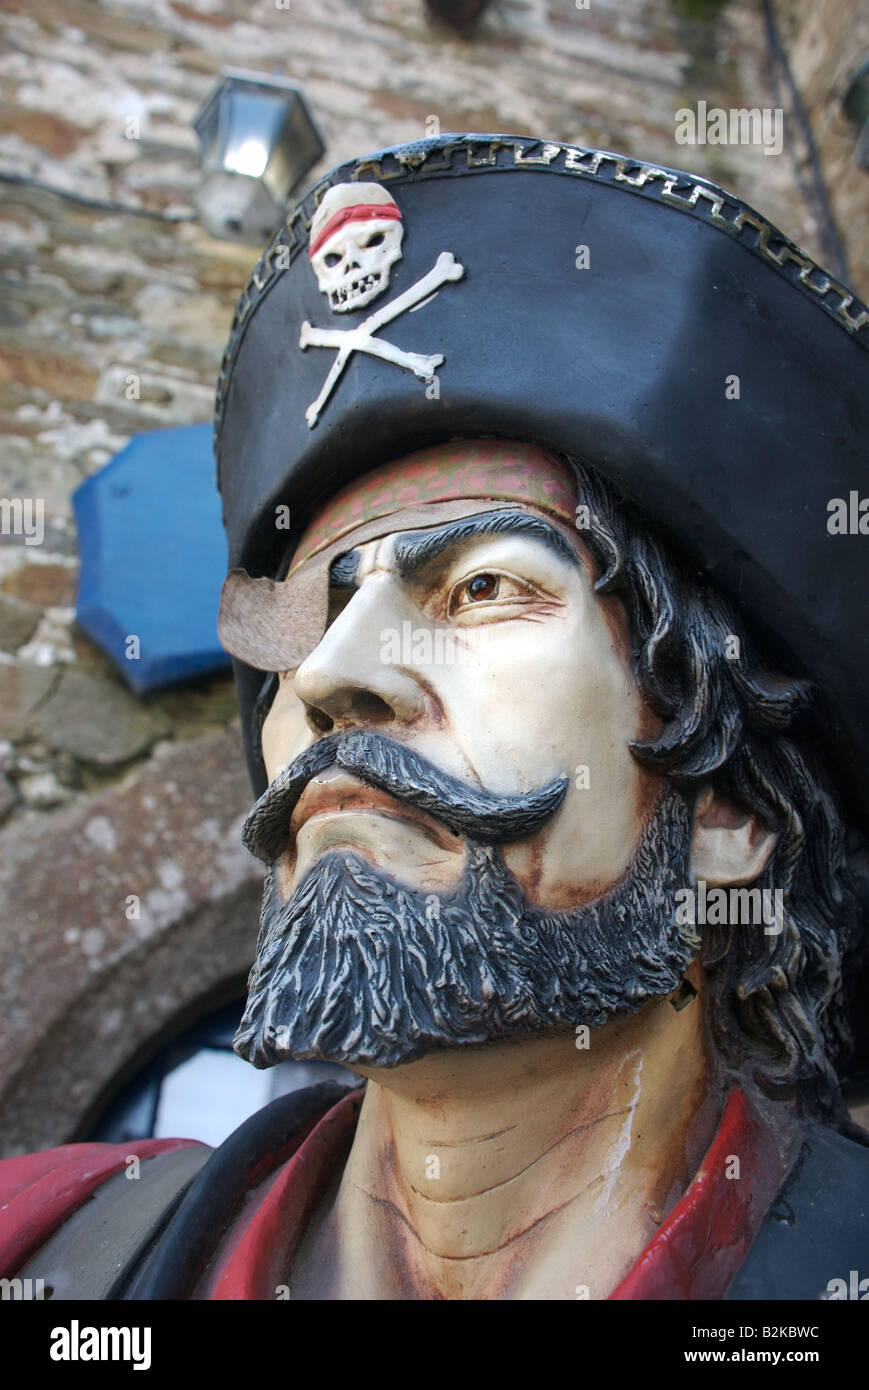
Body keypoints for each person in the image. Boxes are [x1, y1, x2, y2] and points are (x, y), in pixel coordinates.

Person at [1, 133, 867, 1300]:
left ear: (727, 812)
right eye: (308, 624)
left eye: (480, 589)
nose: (325, 679)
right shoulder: (42, 1252)